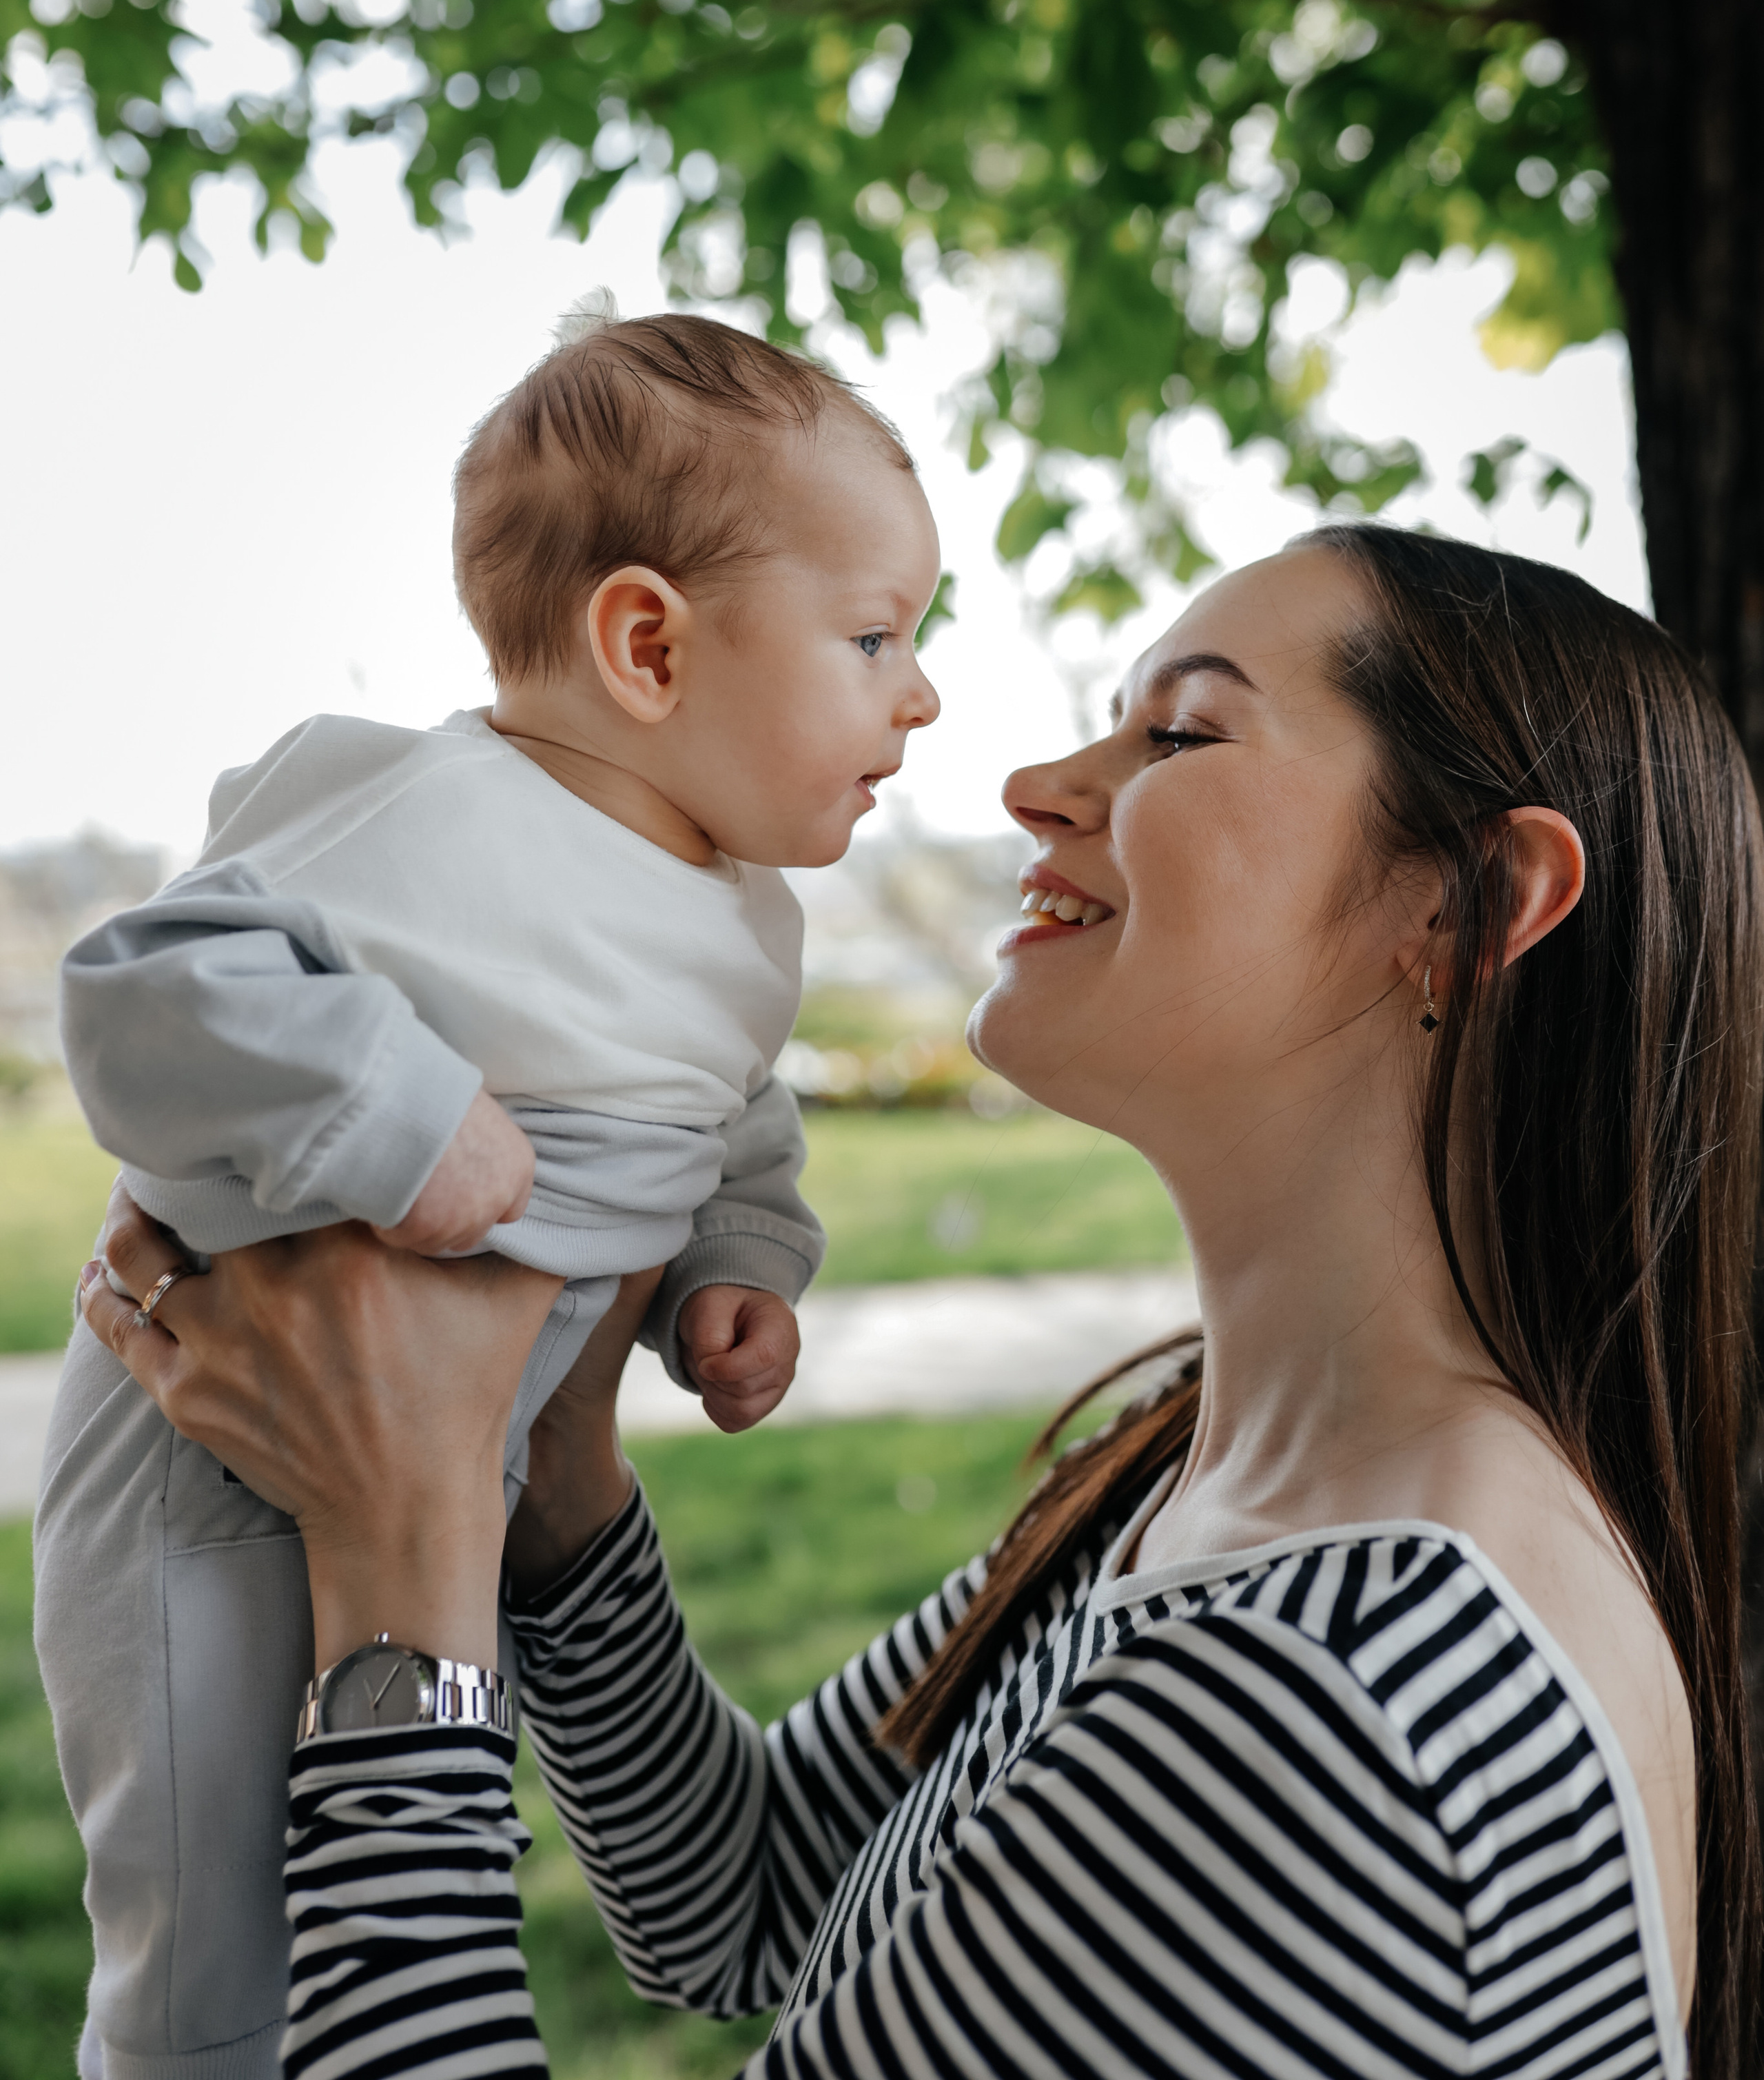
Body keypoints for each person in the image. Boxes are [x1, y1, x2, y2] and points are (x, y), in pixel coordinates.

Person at [75, 527, 1761, 2080]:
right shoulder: (1198, 1466)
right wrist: (557, 1467)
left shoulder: (1335, 1702)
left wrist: (402, 1571)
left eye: (1179, 735)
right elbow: (744, 1896)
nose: (1033, 784)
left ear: (1462, 904)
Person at [37, 312, 943, 2080]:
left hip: (467, 1467)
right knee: (209, 1901)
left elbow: (723, 1106)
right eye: (873, 637)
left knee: (380, 1850)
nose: (919, 696)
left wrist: (734, 1258)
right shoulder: (423, 812)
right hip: (209, 1446)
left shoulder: (737, 911)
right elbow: (145, 992)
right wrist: (401, 1114)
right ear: (646, 645)